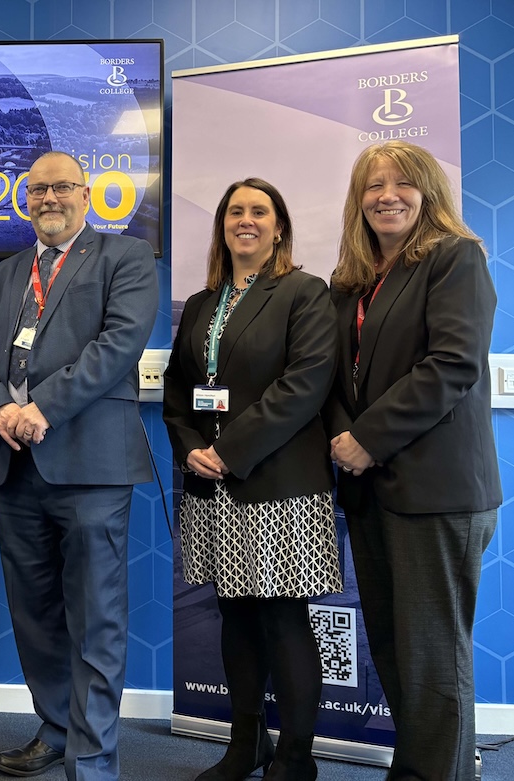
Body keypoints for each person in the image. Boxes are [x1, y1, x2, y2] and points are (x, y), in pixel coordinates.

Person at [0, 151, 158, 780]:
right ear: (25, 199)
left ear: (87, 194)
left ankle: (93, 757)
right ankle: (55, 729)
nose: (49, 199)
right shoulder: (8, 269)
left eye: (62, 188)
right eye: (38, 190)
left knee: (96, 616)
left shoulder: (124, 258)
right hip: (15, 467)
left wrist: (41, 407)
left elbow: (118, 345)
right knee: (36, 612)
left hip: (91, 468)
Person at [326, 141, 500, 781]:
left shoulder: (455, 259)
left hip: (437, 491)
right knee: (397, 653)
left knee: (431, 659)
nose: (386, 196)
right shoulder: (358, 280)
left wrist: (367, 439)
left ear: (428, 192)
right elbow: (337, 379)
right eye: (373, 186)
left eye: (402, 183)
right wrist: (348, 438)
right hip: (372, 489)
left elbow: (452, 364)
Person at [163, 179, 339, 781]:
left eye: (259, 211)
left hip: (279, 483)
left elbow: (306, 385)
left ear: (279, 226)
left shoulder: (304, 293)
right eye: (235, 211)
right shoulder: (202, 303)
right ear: (221, 226)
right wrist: (191, 449)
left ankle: (295, 757)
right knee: (233, 615)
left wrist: (230, 450)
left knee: (283, 618)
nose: (246, 220)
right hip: (210, 487)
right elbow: (178, 391)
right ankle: (246, 745)